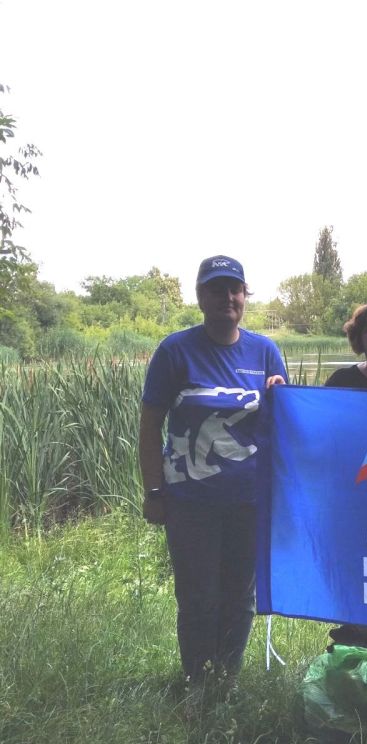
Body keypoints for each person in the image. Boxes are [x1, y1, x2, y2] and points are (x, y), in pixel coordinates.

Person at [138, 255, 287, 689]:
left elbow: (283, 429)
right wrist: (153, 491)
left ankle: (227, 680)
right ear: (201, 297)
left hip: (250, 501)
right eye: (217, 289)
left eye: (235, 289)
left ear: (245, 295)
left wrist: (282, 397)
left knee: (239, 599)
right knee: (199, 598)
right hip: (190, 502)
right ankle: (196, 682)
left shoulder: (265, 351)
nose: (227, 297)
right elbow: (150, 426)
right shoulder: (175, 350)